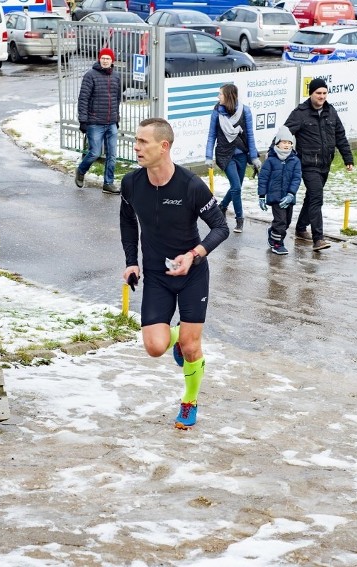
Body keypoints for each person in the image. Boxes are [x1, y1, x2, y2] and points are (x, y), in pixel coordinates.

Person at [120, 117, 230, 430]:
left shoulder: (190, 185)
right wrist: (132, 261)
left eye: (143, 142)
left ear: (163, 146)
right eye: (137, 140)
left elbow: (221, 228)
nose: (136, 147)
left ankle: (189, 400)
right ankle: (181, 337)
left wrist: (194, 254)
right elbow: (128, 221)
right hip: (156, 274)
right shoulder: (132, 183)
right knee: (155, 347)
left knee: (193, 347)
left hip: (192, 273)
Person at [283, 77, 354, 251]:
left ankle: (300, 228)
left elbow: (340, 136)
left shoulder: (331, 111)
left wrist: (348, 159)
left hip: (325, 163)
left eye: (324, 93)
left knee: (312, 197)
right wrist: (276, 153)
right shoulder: (300, 113)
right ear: (311, 94)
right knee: (317, 197)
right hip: (307, 164)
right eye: (318, 93)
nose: (322, 96)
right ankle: (318, 238)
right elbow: (285, 132)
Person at [204, 83, 261, 234]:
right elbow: (212, 135)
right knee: (236, 187)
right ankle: (239, 219)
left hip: (241, 154)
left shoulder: (245, 111)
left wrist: (254, 157)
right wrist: (208, 156)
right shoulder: (217, 112)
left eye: (220, 94)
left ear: (229, 96)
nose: (218, 97)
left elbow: (250, 135)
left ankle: (222, 206)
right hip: (224, 154)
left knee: (237, 187)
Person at [76, 47, 122, 195]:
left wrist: (116, 118)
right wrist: (83, 120)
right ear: (99, 59)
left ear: (112, 60)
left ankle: (108, 183)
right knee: (95, 153)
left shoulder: (116, 76)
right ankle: (81, 170)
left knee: (112, 155)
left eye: (108, 58)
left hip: (111, 122)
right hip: (95, 122)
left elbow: (117, 99)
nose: (105, 60)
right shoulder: (90, 75)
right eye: (103, 58)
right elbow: (83, 99)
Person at [257, 126, 301, 255]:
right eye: (284, 142)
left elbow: (296, 178)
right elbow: (263, 178)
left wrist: (291, 194)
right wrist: (261, 195)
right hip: (275, 197)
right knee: (280, 221)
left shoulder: (295, 160)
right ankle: (277, 244)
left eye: (289, 143)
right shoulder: (271, 160)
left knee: (286, 222)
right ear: (277, 143)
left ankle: (272, 232)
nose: (287, 145)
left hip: (288, 197)